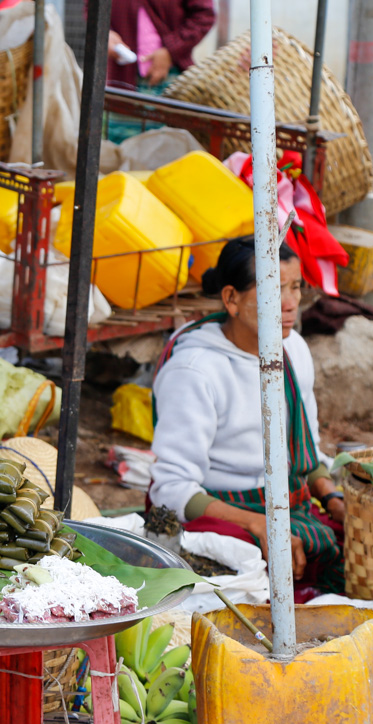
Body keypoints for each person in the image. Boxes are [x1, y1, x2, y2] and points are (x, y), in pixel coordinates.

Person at [150, 237, 344, 597]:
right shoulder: (196, 371)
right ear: (231, 299)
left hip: (289, 505)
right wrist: (260, 524)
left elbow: (307, 455)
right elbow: (170, 490)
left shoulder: (294, 350)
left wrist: (335, 500)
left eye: (296, 287)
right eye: (274, 290)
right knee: (245, 570)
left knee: (350, 542)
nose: (290, 304)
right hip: (224, 512)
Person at [107, 0, 215, 90]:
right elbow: (90, 9)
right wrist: (103, 33)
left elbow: (204, 15)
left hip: (171, 76)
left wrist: (171, 51)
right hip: (117, 77)